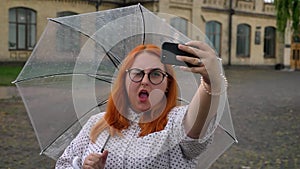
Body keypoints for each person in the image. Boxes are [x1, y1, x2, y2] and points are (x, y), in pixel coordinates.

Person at [55, 41, 227, 169]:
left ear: (167, 85)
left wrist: (211, 82)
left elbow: (194, 125)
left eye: (155, 74)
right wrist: (81, 166)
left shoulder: (174, 123)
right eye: (137, 73)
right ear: (124, 81)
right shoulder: (97, 122)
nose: (145, 81)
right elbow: (63, 164)